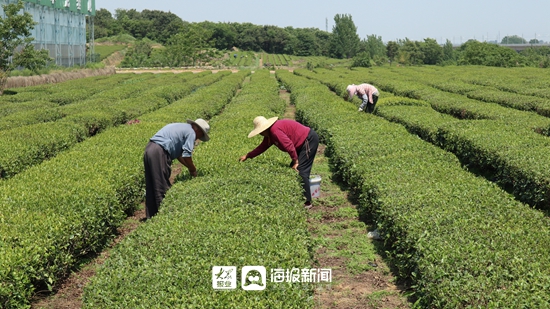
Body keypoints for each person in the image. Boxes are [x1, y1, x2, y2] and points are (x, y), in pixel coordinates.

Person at [239, 116, 319, 209]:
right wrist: (248, 155)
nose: (260, 134)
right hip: (301, 144)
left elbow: (288, 145)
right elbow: (262, 147)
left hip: (308, 140)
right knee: (293, 170)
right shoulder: (270, 134)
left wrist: (296, 161)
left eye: (260, 131)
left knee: (301, 170)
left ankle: (307, 202)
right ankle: (300, 195)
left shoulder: (275, 131)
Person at [143, 119, 210, 219]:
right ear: (199, 131)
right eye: (200, 136)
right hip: (159, 151)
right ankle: (163, 217)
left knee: (152, 184)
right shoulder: (191, 132)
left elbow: (180, 155)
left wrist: (188, 167)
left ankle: (152, 216)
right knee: (161, 185)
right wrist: (193, 169)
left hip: (149, 149)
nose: (198, 139)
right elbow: (187, 155)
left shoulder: (182, 127)